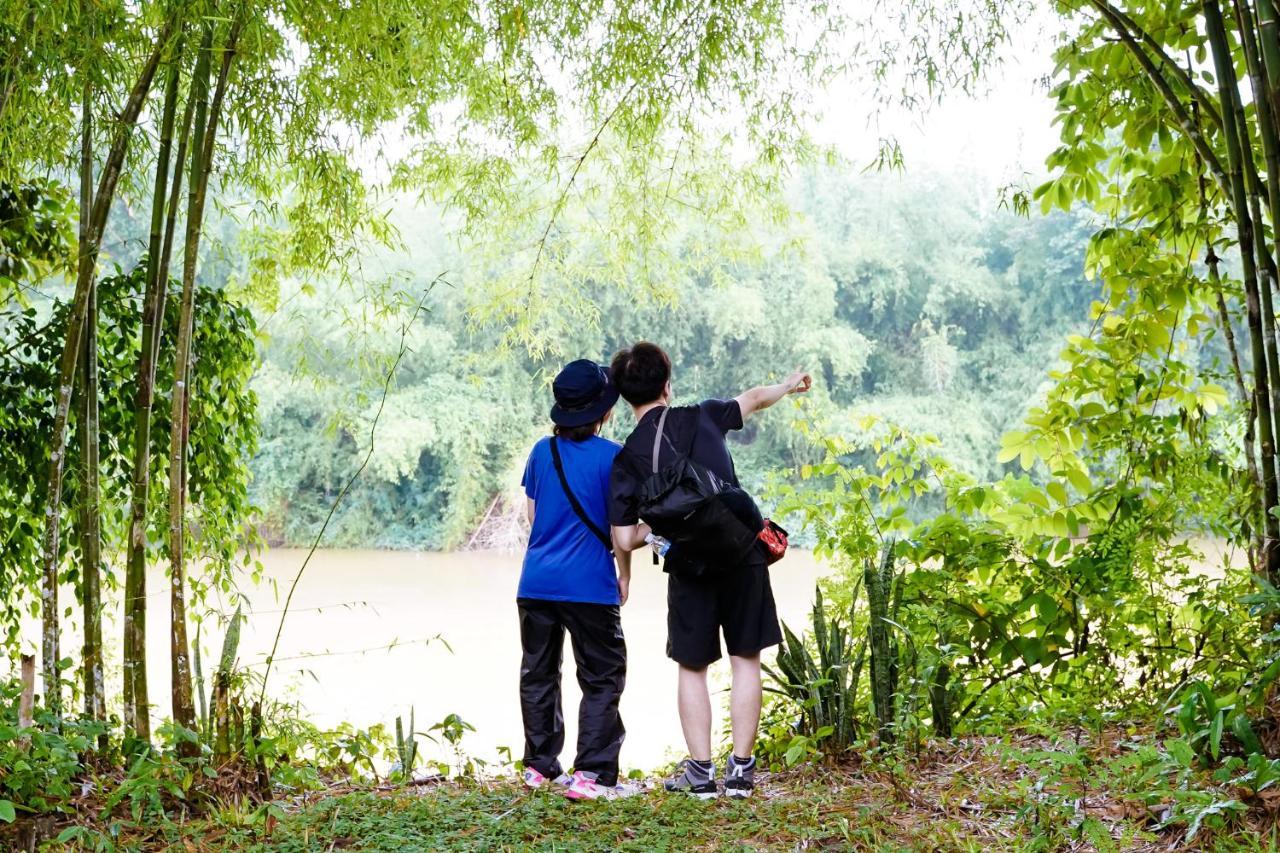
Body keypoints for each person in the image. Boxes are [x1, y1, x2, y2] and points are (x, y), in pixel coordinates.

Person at [608, 342, 811, 800]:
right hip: (743, 551)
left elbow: (623, 539)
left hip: (689, 566)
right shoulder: (702, 415)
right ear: (667, 383)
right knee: (745, 660)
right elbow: (754, 398)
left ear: (625, 398)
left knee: (693, 666)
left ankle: (700, 773)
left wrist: (651, 534)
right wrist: (787, 385)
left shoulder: (628, 458)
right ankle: (740, 773)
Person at [517, 359, 637, 801]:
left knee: (538, 673)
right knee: (602, 677)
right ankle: (592, 774)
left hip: (535, 584)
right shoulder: (615, 458)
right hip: (589, 585)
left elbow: (533, 516)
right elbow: (620, 530)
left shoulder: (540, 452)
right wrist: (624, 574)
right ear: (604, 413)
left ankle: (539, 766)